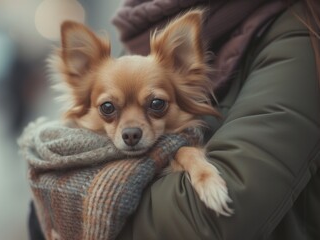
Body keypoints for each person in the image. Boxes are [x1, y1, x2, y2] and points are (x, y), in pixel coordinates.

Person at [28, 0, 320, 239]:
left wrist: (64, 205)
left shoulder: (297, 32)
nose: (130, 128)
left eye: (155, 105)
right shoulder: (137, 37)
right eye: (108, 109)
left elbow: (215, 215)